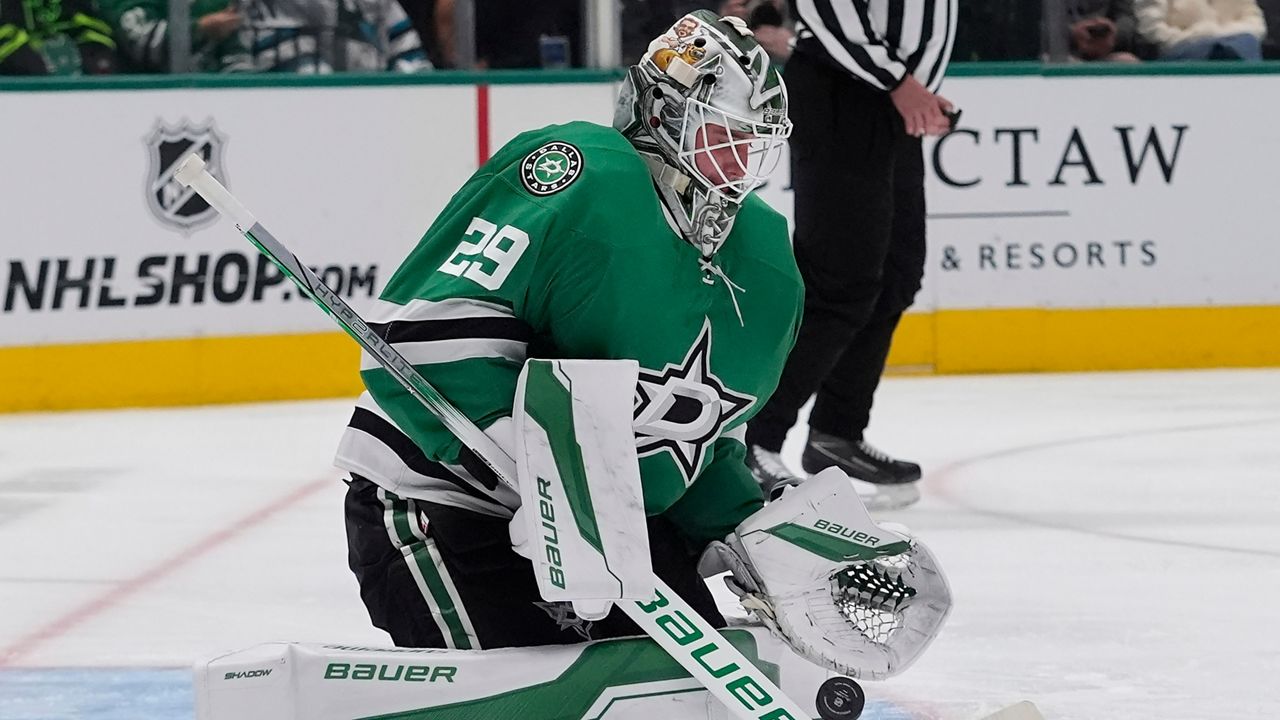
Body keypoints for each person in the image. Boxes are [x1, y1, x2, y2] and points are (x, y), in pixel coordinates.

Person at [336, 10, 801, 649]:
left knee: (686, 695)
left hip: (607, 531)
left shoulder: (763, 259)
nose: (741, 160)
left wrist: (748, 534)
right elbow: (428, 337)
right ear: (664, 114)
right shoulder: (579, 172)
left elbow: (693, 439)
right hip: (445, 500)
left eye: (756, 141)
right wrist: (545, 476)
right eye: (724, 135)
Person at [744, 0, 957, 511]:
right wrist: (902, 84)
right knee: (839, 281)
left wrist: (916, 91)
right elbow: (822, 8)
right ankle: (754, 440)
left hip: (890, 101)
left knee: (895, 276)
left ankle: (836, 434)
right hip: (845, 91)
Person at [100, 0, 251, 73]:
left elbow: (236, 61)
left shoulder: (215, 3)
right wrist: (198, 29)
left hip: (210, 105)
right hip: (136, 106)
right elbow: (143, 45)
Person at [0, 0, 117, 74]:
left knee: (103, 66)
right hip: (15, 76)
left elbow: (94, 25)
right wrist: (26, 58)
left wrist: (94, 53)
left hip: (79, 58)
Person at [1135, 0, 1266, 60]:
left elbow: (1257, 25)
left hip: (1238, 48)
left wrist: (1216, 37)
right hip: (1180, 51)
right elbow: (1152, 30)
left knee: (1247, 42)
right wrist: (1200, 36)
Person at [1067, 0, 1144, 62]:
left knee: (1128, 63)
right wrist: (1072, 33)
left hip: (1106, 51)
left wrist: (1114, 33)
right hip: (1062, 52)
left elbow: (1126, 16)